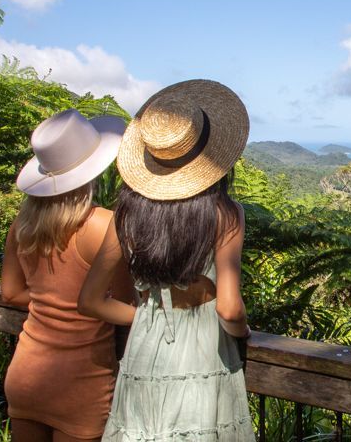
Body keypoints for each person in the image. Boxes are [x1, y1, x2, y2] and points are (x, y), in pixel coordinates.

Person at [78, 79, 255, 441]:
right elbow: (229, 309)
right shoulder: (226, 215)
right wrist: (243, 335)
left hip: (143, 352)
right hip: (204, 354)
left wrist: (147, 316)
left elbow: (90, 301)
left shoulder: (125, 216)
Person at [1, 109, 131, 442]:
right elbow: (125, 301)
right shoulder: (105, 226)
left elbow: (11, 294)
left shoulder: (23, 226)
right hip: (82, 382)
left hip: (27, 372)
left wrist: (52, 298)